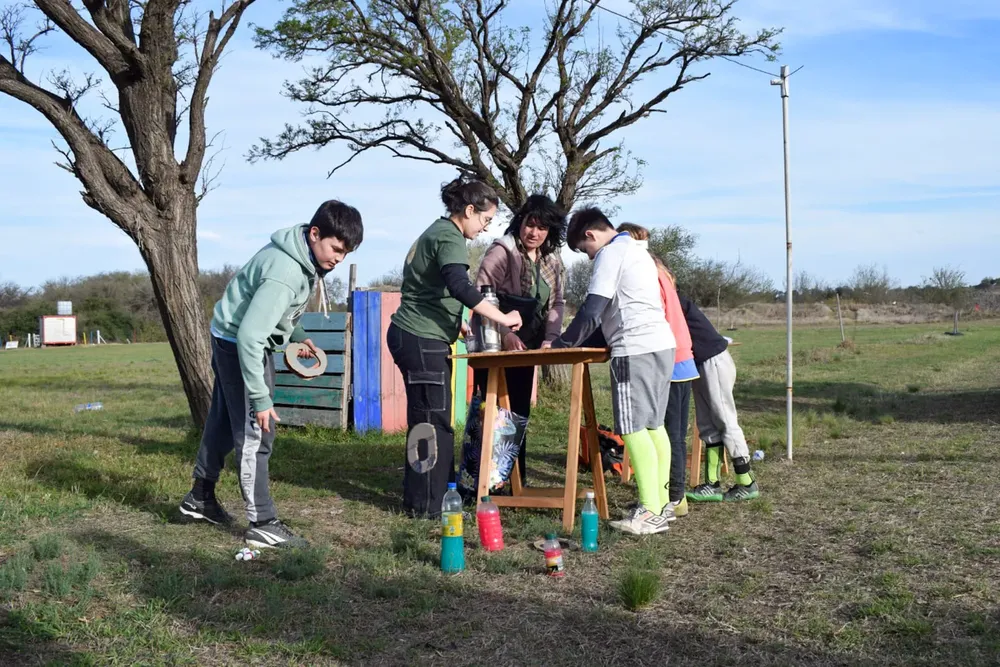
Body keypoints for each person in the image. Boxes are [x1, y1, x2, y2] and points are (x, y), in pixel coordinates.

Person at [179, 200, 363, 549]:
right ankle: (262, 522)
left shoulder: (298, 253)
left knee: (221, 421)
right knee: (256, 433)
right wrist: (261, 399)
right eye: (336, 249)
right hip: (240, 345)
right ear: (314, 233)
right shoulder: (287, 270)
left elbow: (269, 309)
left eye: (345, 253)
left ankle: (199, 498)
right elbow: (251, 335)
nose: (338, 259)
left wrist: (296, 335)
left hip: (226, 335)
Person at [388, 176, 522, 519]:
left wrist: (455, 322)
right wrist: (502, 318)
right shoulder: (450, 237)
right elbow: (460, 287)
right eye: (485, 220)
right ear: (469, 210)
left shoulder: (435, 232)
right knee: (433, 424)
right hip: (420, 338)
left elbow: (427, 289)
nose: (485, 228)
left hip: (420, 334)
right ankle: (428, 507)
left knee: (429, 418)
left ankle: (427, 499)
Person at [551, 208, 676, 535]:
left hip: (634, 349)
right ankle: (661, 504)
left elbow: (593, 310)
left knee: (632, 428)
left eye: (584, 250)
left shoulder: (610, 254)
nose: (589, 257)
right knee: (653, 426)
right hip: (662, 344)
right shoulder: (638, 251)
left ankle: (649, 511)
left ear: (590, 235)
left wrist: (562, 344)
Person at [472, 194, 567, 484]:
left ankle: (514, 480)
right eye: (530, 225)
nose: (534, 233)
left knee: (519, 411)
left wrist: (550, 339)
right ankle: (483, 481)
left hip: (528, 348)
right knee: (492, 411)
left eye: (542, 228)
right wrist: (506, 333)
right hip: (493, 344)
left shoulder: (552, 260)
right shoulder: (501, 252)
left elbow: (557, 303)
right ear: (520, 222)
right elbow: (481, 297)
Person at [615, 223, 698, 518]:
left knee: (665, 431)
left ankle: (673, 498)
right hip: (681, 356)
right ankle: (671, 497)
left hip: (668, 357)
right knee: (669, 431)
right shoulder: (660, 270)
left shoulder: (645, 271)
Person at [681, 295, 760, 502]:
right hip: (700, 363)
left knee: (726, 421)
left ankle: (746, 482)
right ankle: (711, 485)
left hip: (713, 361)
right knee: (707, 424)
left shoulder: (674, 300)